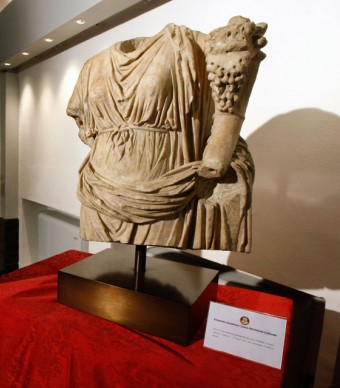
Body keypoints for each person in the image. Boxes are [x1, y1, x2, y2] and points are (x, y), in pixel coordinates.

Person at [67, 16, 267, 253]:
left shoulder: (187, 45)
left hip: (171, 186)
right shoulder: (93, 65)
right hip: (99, 190)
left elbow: (232, 80)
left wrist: (219, 149)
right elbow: (85, 129)